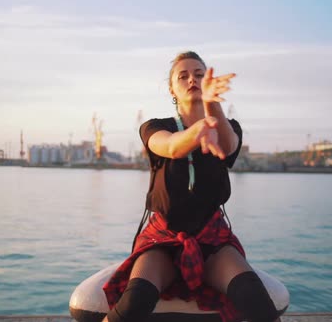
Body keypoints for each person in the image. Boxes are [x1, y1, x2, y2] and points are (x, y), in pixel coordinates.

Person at [102, 51, 281, 322]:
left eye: (199, 74)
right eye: (182, 76)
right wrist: (197, 131)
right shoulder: (154, 127)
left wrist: (211, 105)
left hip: (212, 241)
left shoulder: (227, 126)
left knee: (254, 298)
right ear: (171, 88)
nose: (192, 80)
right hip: (163, 239)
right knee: (135, 302)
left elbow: (229, 145)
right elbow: (171, 146)